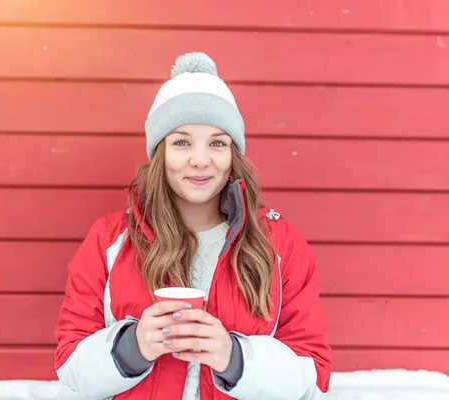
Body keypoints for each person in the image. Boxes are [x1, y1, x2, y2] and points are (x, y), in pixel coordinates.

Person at [54, 51, 332, 400]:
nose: (199, 160)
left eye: (217, 143)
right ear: (160, 153)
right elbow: (70, 363)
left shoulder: (281, 245)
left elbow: (312, 373)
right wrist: (132, 347)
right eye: (181, 142)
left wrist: (234, 358)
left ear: (233, 155)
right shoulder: (109, 240)